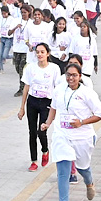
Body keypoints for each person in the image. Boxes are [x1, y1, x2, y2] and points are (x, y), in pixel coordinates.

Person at [43, 63, 101, 201]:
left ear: (80, 76)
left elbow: (100, 114)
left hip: (82, 137)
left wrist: (81, 122)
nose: (71, 78)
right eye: (68, 75)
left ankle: (89, 182)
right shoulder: (59, 90)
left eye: (74, 75)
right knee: (62, 171)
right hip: (62, 134)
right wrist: (48, 123)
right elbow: (53, 108)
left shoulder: (87, 93)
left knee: (82, 167)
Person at [17, 43, 59, 171]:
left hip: (47, 102)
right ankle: (34, 160)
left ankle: (45, 150)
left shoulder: (54, 68)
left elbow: (57, 88)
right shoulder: (30, 68)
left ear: (48, 53)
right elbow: (26, 87)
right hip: (32, 101)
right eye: (38, 52)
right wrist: (22, 107)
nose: (40, 54)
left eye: (42, 52)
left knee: (42, 130)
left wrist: (57, 107)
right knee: (32, 132)